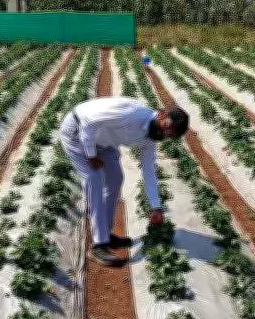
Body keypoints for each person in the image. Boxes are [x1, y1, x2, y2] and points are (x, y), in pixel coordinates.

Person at [60, 97, 190, 266]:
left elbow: (149, 170)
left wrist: (156, 206)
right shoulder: (131, 114)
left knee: (116, 179)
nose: (164, 134)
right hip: (78, 133)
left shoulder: (149, 140)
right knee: (93, 179)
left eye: (169, 135)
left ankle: (105, 232)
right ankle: (99, 246)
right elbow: (88, 121)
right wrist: (91, 155)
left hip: (104, 142)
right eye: (166, 127)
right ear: (161, 114)